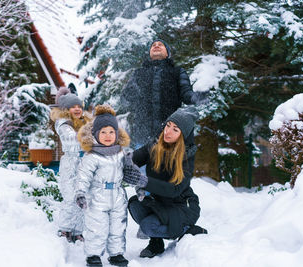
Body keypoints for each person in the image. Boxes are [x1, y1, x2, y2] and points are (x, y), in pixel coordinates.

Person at [122, 107, 207, 258]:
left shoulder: (187, 157)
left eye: (175, 129)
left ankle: (187, 230)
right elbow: (131, 159)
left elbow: (174, 189)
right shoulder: (154, 145)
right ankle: (156, 243)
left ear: (183, 135)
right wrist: (108, 157)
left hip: (182, 206)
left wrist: (142, 181)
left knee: (148, 226)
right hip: (161, 202)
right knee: (135, 205)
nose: (168, 132)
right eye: (168, 125)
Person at [121, 39, 208, 146]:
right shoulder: (138, 73)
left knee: (169, 163)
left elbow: (186, 94)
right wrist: (130, 92)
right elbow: (125, 101)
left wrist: (196, 97)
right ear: (149, 53)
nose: (156, 46)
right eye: (153, 45)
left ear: (167, 53)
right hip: (142, 135)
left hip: (169, 133)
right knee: (141, 162)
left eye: (160, 45)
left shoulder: (177, 72)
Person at [75, 104, 130, 267]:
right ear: (96, 134)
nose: (108, 136)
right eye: (103, 132)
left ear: (117, 134)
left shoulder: (121, 152)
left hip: (118, 196)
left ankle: (116, 254)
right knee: (97, 227)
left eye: (111, 132)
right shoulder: (92, 156)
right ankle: (93, 255)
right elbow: (83, 176)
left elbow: (129, 170)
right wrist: (80, 192)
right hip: (97, 197)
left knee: (118, 227)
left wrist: (139, 182)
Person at [50, 87, 92, 243]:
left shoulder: (85, 123)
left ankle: (77, 230)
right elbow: (71, 138)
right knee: (70, 197)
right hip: (70, 163)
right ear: (67, 109)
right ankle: (65, 229)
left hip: (84, 163)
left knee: (82, 196)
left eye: (79, 106)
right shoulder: (63, 123)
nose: (77, 109)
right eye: (73, 107)